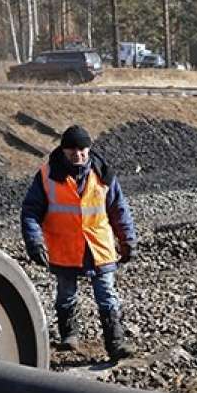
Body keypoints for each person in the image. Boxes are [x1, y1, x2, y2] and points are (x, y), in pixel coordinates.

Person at [20, 124, 137, 360]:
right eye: (72, 150)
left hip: (98, 246)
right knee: (66, 293)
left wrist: (127, 240)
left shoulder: (103, 174)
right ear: (63, 150)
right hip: (64, 247)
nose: (78, 154)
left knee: (106, 293)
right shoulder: (46, 175)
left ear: (89, 149)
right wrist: (34, 241)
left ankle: (116, 343)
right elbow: (30, 211)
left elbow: (118, 210)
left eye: (82, 149)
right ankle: (69, 335)